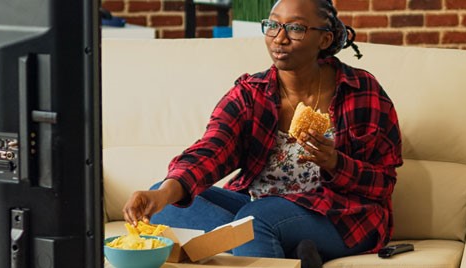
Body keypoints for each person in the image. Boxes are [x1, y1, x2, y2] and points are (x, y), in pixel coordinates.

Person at [123, 0, 402, 266]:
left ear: (324, 39)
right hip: (258, 204)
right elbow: (213, 147)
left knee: (255, 222)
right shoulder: (250, 94)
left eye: (295, 28)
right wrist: (162, 194)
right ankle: (291, 253)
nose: (279, 38)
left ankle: (272, 241)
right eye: (272, 25)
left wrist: (335, 163)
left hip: (342, 214)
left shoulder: (362, 90)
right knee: (168, 199)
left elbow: (383, 183)